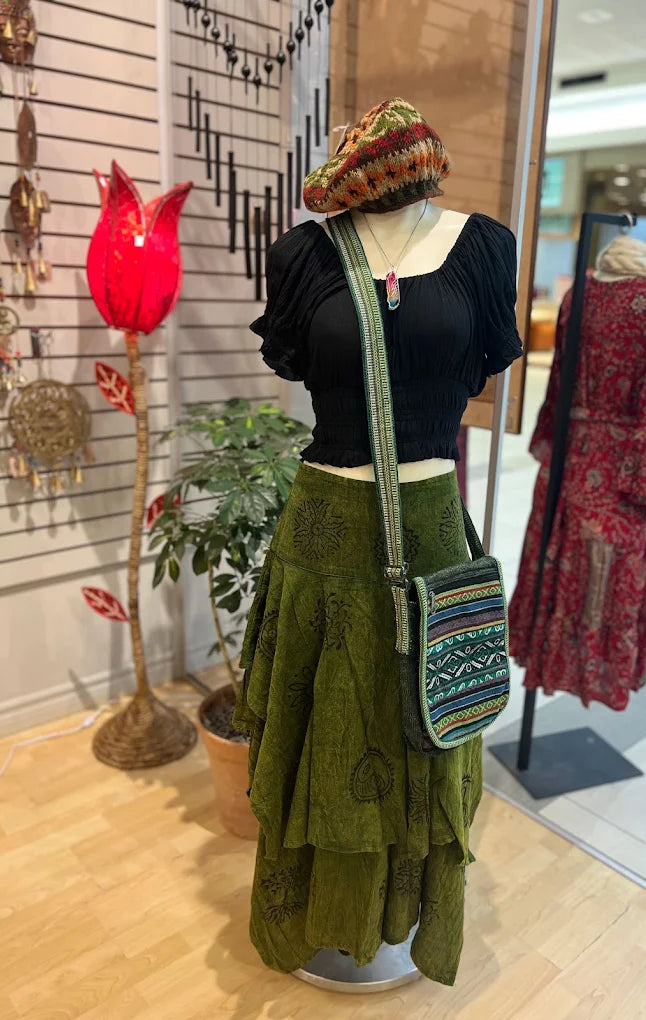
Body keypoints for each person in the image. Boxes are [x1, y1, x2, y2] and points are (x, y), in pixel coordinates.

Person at [231, 98, 522, 985]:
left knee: (424, 721)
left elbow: (472, 367)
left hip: (433, 528)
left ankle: (400, 920)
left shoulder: (485, 247)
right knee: (322, 724)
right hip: (322, 534)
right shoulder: (301, 255)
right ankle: (320, 918)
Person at [508, 234, 646, 711]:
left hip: (569, 456)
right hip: (621, 466)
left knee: (554, 560)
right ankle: (591, 672)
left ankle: (546, 659)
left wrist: (548, 441)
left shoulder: (576, 297)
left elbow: (560, 378)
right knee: (606, 576)